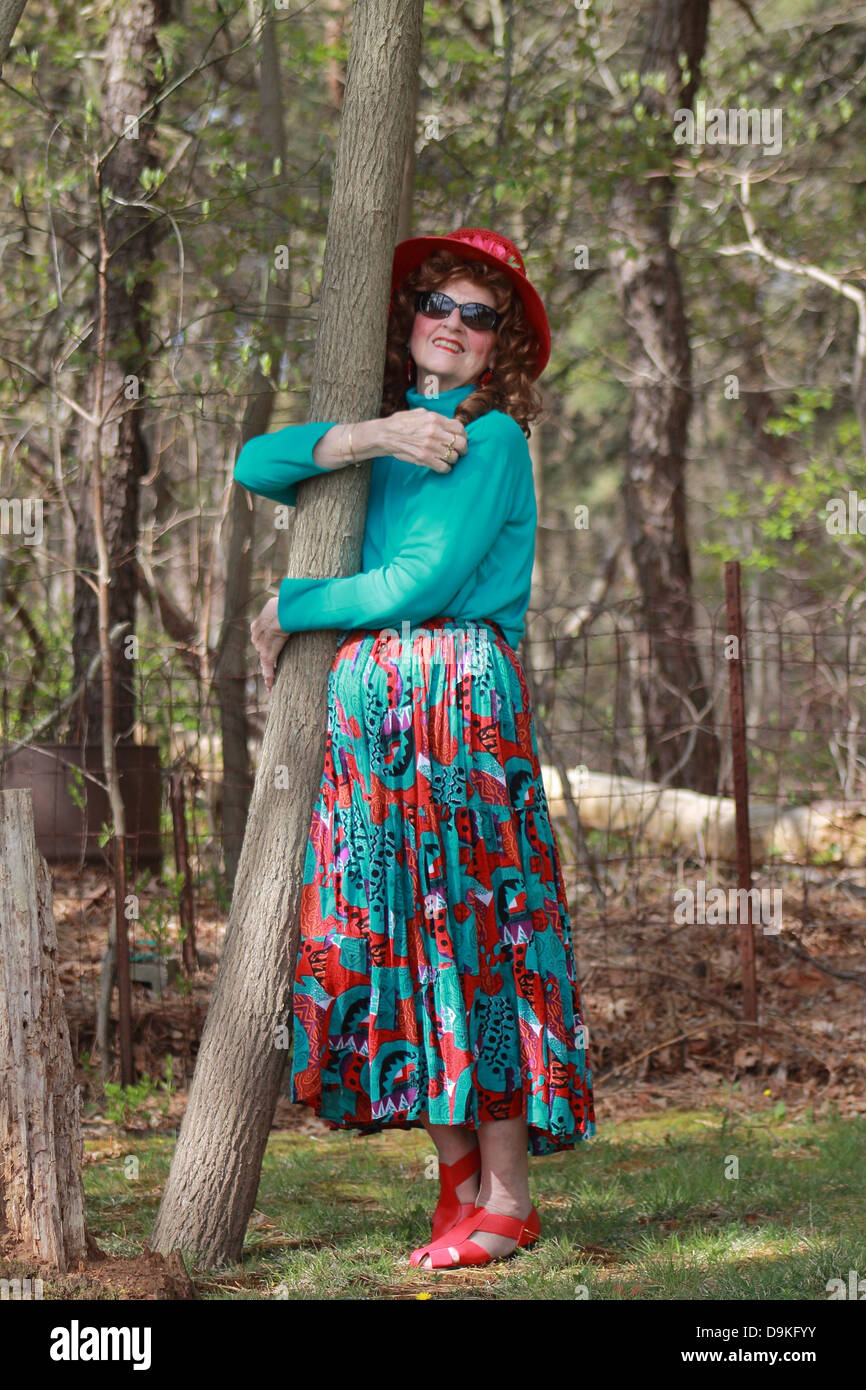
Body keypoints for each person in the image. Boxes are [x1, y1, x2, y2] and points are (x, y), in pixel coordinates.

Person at [233, 226, 596, 1270]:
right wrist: (366, 439)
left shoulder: (490, 442)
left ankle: (509, 1195)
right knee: (396, 937)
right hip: (373, 712)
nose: (454, 324)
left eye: (480, 316)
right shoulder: (402, 430)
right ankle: (452, 1183)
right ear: (410, 319)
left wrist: (294, 603)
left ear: (501, 347)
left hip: (456, 704)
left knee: (479, 940)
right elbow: (257, 463)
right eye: (439, 303)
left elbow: (417, 585)